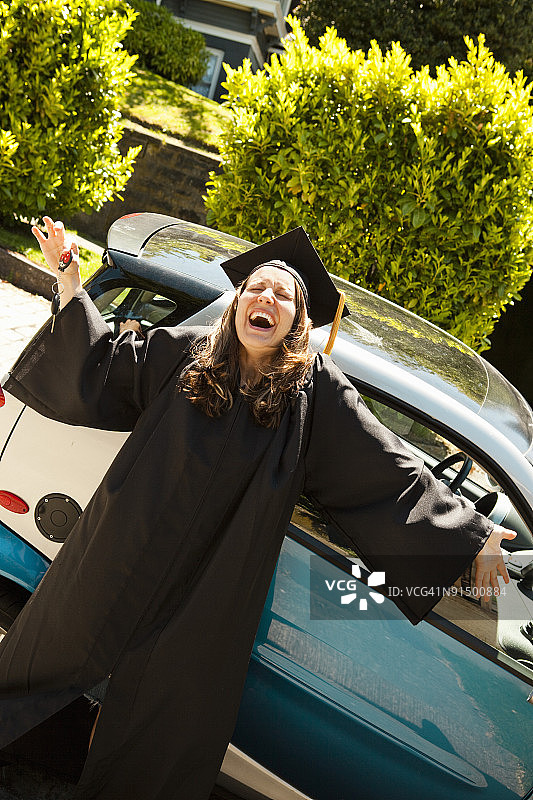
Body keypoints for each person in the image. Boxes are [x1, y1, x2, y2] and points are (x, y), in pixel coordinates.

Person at [0, 217, 515, 800]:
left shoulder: (316, 393)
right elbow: (104, 359)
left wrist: (475, 539)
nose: (266, 298)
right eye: (256, 288)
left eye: (283, 296)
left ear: (299, 321)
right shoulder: (189, 356)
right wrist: (68, 278)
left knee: (170, 717)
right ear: (238, 301)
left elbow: (385, 468)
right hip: (125, 549)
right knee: (45, 651)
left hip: (214, 583)